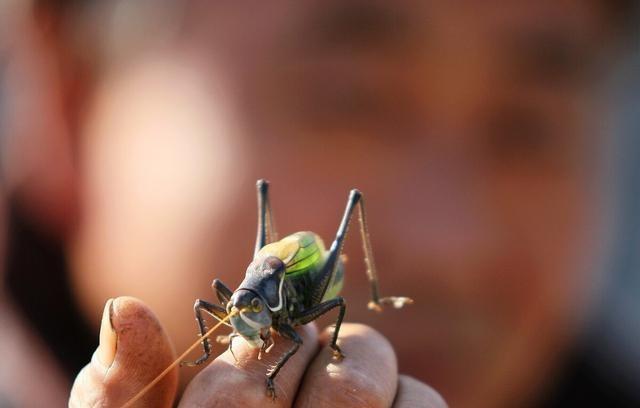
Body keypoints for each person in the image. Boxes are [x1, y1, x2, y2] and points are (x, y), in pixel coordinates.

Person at [1, 1, 637, 407]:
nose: (452, 247)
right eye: (348, 98)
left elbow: (318, 311)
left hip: (308, 278)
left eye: (530, 124)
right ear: (70, 98)